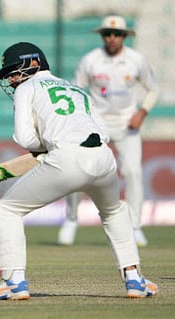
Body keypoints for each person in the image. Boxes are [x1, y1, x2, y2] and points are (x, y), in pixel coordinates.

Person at [0, 42, 158, 300]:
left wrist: (46, 145)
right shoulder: (76, 88)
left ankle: (15, 283)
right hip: (104, 158)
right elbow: (104, 133)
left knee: (6, 209)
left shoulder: (27, 88)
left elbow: (24, 138)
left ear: (32, 64)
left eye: (13, 71)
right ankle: (135, 280)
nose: (10, 78)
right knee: (114, 211)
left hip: (67, 158)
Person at [57, 15, 159, 247]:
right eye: (107, 34)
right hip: (95, 124)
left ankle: (135, 226)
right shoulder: (91, 60)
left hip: (127, 124)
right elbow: (76, 90)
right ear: (102, 36)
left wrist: (141, 113)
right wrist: (82, 119)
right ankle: (72, 219)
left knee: (133, 172)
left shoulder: (136, 60)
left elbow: (153, 89)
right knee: (78, 170)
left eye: (116, 34)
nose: (112, 38)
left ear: (124, 36)